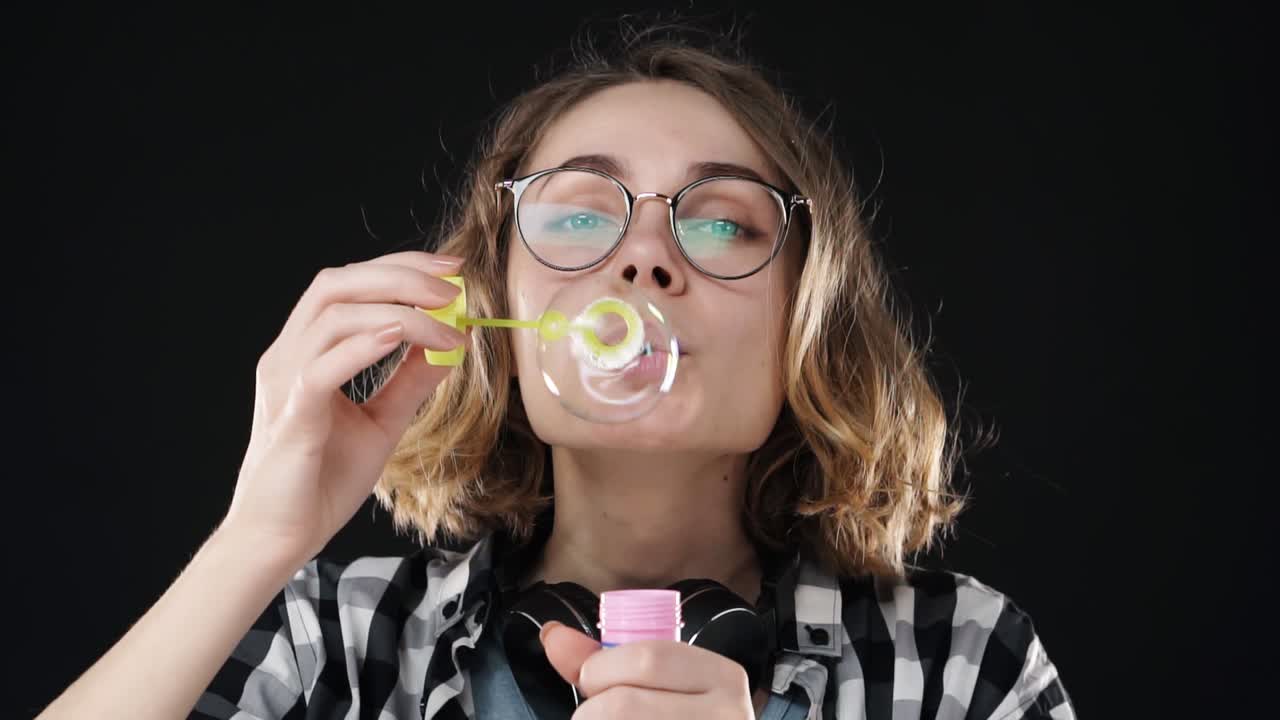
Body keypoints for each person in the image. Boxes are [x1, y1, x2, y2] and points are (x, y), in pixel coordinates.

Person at [36, 21, 1075, 720]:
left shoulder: (954, 659)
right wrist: (256, 540)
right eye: (579, 211)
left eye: (719, 220)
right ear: (497, 309)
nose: (643, 256)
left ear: (804, 321)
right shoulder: (339, 640)